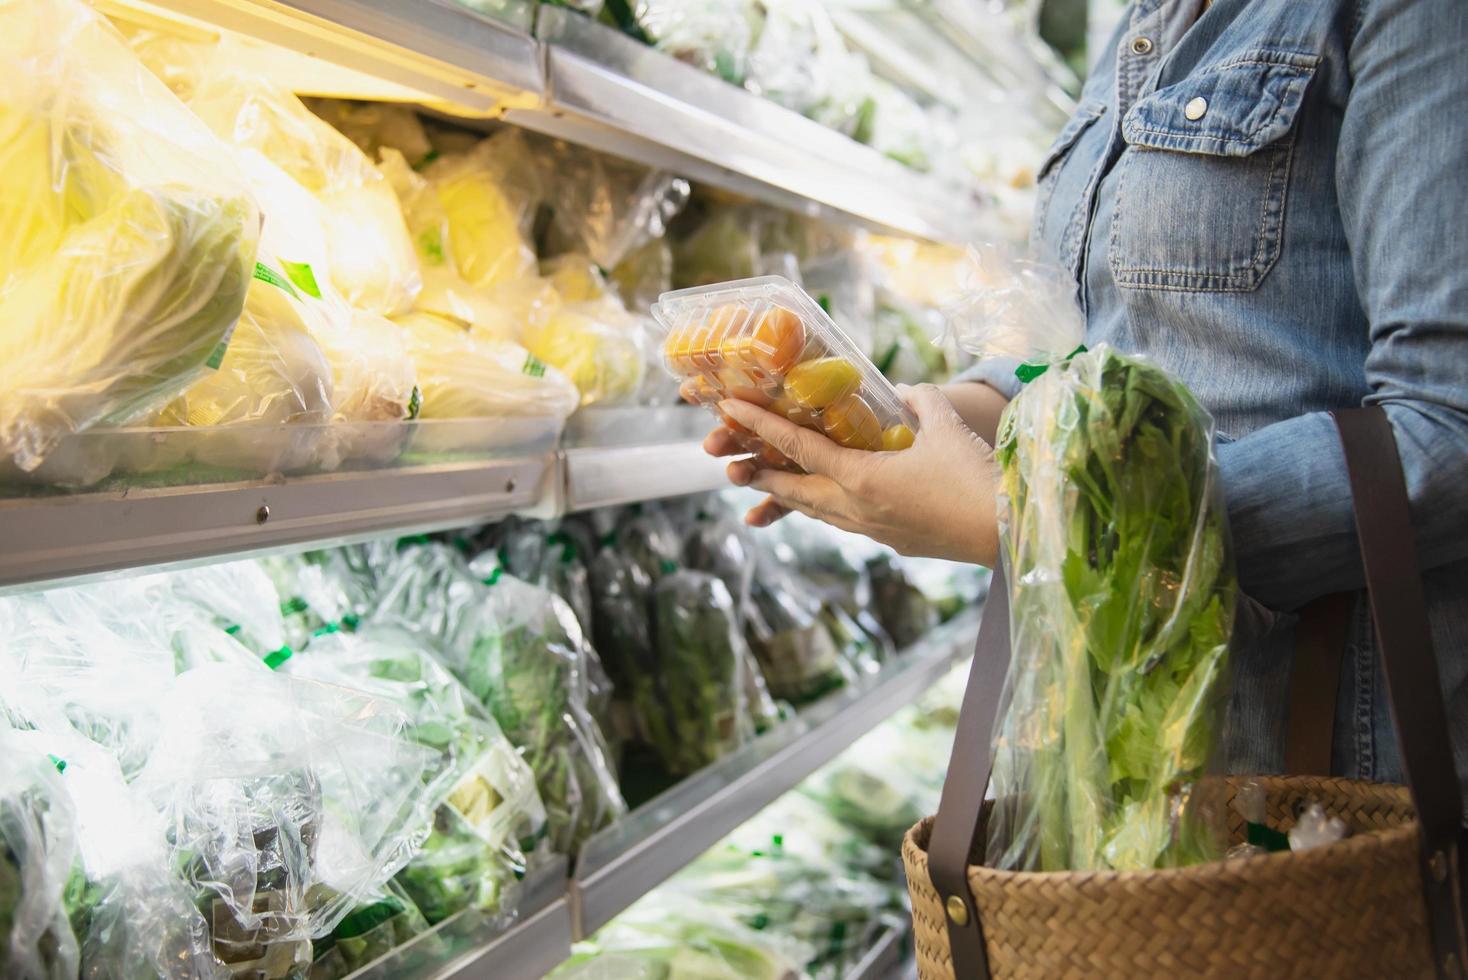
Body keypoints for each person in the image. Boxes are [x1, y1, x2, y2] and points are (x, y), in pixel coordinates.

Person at [701, 0, 1468, 802]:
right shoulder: (1135, 33)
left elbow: (1446, 428)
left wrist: (1036, 521)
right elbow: (1077, 359)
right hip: (1109, 739)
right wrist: (891, 421)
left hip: (1322, 762)